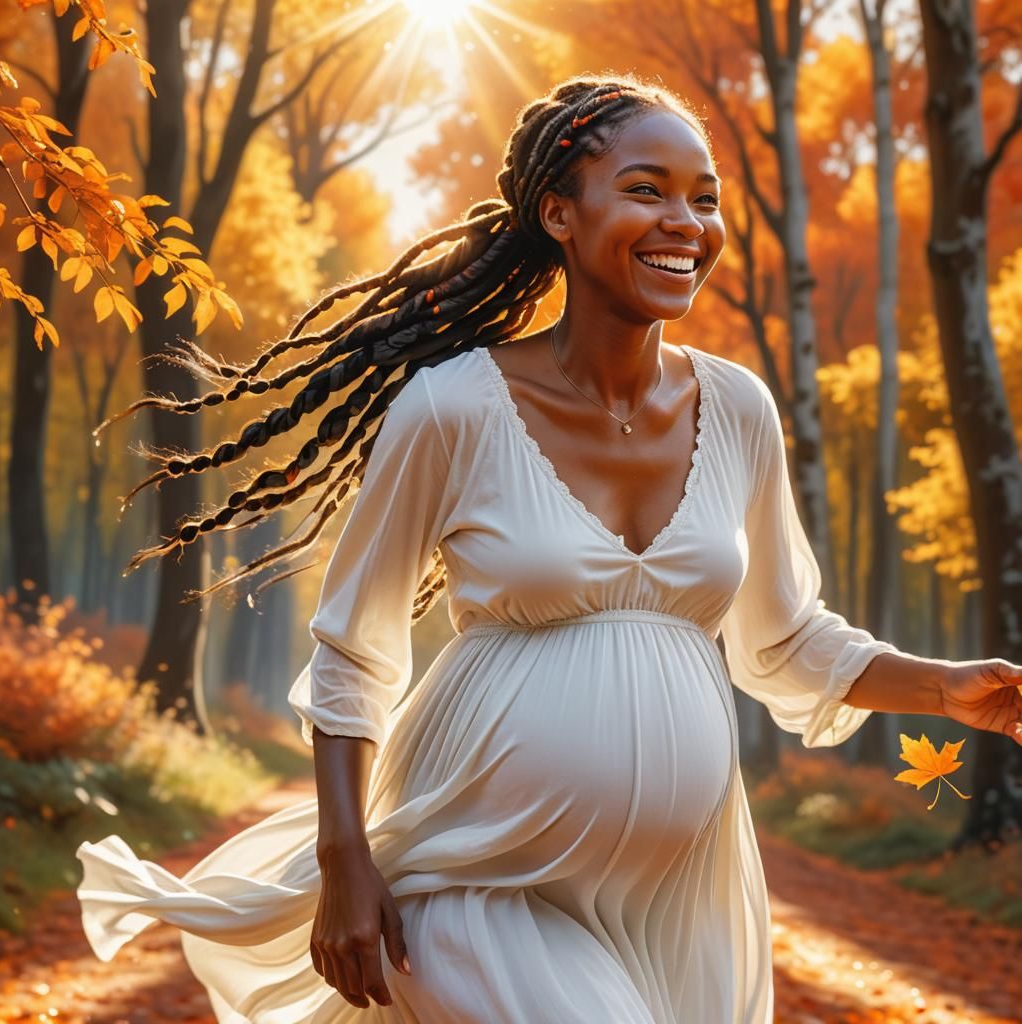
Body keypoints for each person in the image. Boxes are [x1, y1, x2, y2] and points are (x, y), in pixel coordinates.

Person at [75, 72, 1022, 1023]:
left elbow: (781, 639)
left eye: (704, 198)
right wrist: (345, 858)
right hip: (469, 870)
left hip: (681, 895)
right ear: (559, 213)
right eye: (646, 190)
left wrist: (944, 690)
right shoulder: (453, 407)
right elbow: (355, 649)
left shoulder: (739, 409)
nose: (685, 223)